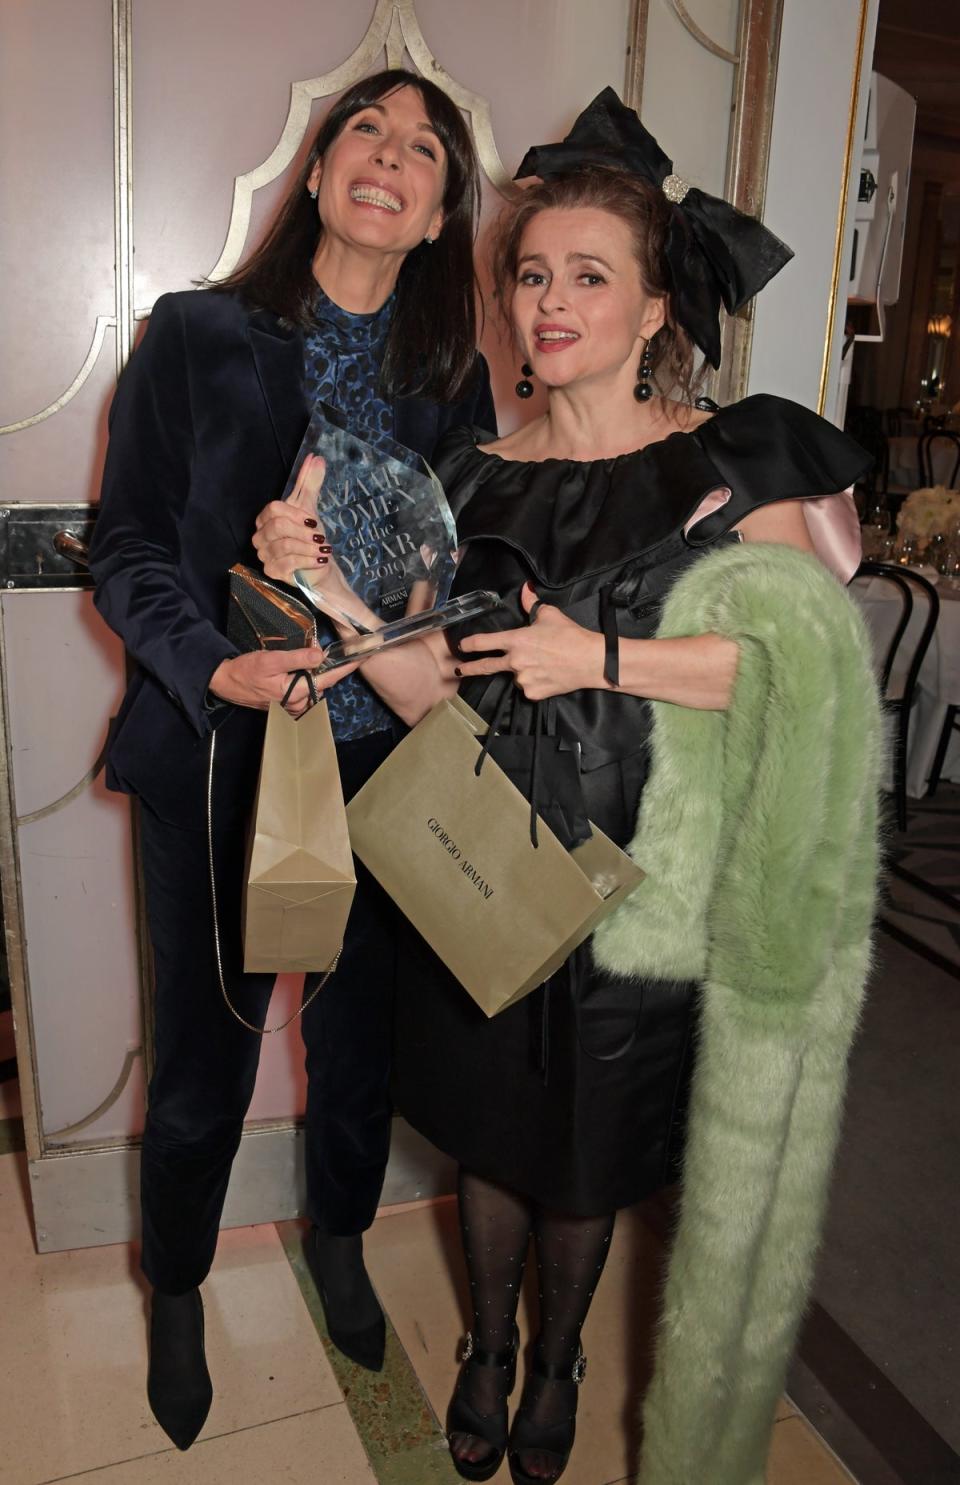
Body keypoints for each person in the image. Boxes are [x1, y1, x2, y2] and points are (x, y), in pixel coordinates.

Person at [255, 91, 874, 1485]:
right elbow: (431, 690)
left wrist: (597, 652)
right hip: (484, 858)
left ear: (658, 306)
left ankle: (559, 1357)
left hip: (644, 878)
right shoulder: (469, 477)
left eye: (589, 276)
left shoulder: (736, 457)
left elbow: (807, 667)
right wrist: (328, 589)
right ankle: (484, 1344)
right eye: (532, 273)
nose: (547, 301)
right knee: (488, 1129)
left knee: (588, 1148)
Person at [88, 68, 495, 1451]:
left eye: (424, 147)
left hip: (389, 771)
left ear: (442, 213)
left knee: (359, 1045)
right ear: (319, 172)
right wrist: (213, 661)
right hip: (218, 757)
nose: (391, 156)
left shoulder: (455, 385)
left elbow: (466, 589)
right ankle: (183, 1282)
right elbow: (130, 544)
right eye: (365, 131)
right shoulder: (196, 337)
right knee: (203, 1049)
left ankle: (336, 1237)